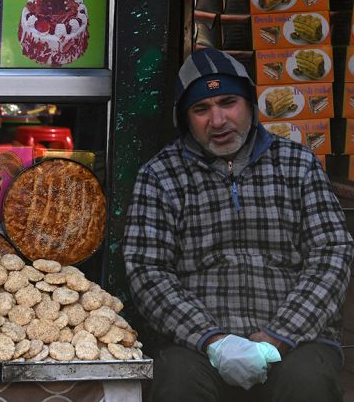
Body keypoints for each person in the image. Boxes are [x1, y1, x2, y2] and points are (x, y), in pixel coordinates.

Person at [123, 48, 353, 401]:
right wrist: (213, 340)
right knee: (177, 384)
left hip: (296, 340)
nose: (217, 121)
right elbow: (147, 269)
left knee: (308, 382)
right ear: (185, 117)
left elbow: (332, 252)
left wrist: (277, 337)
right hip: (198, 346)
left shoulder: (298, 163)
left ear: (249, 103)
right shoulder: (160, 175)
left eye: (228, 102)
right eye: (201, 109)